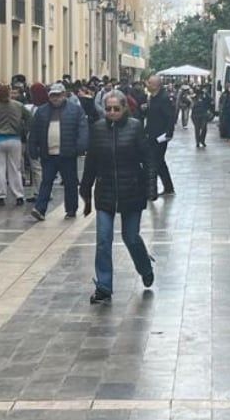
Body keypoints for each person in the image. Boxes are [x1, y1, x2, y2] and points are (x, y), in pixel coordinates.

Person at [80, 90, 158, 304]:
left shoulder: (134, 127)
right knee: (103, 240)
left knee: (130, 237)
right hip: (105, 192)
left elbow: (148, 159)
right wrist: (85, 191)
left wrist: (151, 187)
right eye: (108, 109)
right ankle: (104, 286)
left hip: (131, 190)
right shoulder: (97, 129)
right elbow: (91, 163)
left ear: (124, 108)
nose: (112, 112)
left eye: (116, 108)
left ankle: (145, 266)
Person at [29, 82, 90, 220]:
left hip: (68, 153)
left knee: (70, 183)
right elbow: (34, 132)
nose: (55, 98)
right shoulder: (42, 111)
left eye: (57, 95)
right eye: (52, 96)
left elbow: (83, 129)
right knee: (46, 181)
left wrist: (80, 147)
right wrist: (32, 148)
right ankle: (40, 209)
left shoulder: (75, 110)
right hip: (48, 154)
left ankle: (71, 209)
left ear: (63, 95)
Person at [143, 75, 176, 196]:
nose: (147, 85)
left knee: (154, 162)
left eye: (150, 83)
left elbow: (170, 117)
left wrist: (168, 133)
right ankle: (168, 187)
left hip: (160, 136)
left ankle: (151, 190)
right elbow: (152, 117)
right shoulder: (152, 97)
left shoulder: (164, 98)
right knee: (160, 162)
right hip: (152, 134)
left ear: (156, 85)